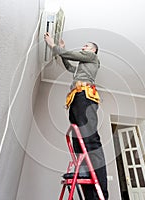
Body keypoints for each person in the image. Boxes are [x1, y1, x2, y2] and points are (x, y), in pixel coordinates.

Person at [44, 32, 109, 200]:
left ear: (93, 51)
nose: (83, 48)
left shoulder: (92, 58)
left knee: (90, 139)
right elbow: (70, 67)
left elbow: (72, 55)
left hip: (85, 97)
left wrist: (53, 45)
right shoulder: (82, 67)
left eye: (86, 46)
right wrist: (62, 51)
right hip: (75, 98)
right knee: (79, 144)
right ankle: (89, 191)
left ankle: (100, 193)